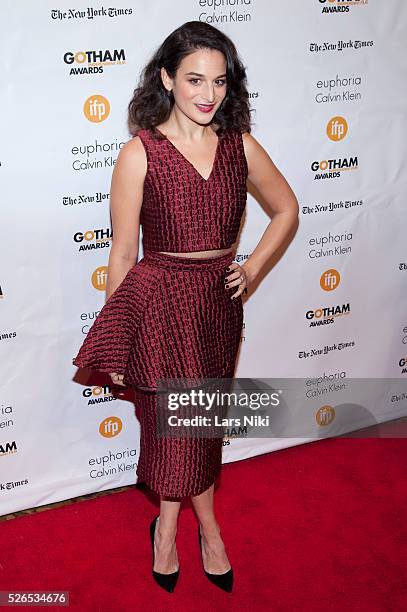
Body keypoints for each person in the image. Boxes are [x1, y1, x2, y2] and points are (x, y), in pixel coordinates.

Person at [72, 20, 299, 593]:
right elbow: (122, 254)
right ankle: (196, 528)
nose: (208, 95)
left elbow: (287, 210)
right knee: (175, 428)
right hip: (159, 304)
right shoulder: (139, 153)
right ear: (166, 78)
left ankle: (174, 525)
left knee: (202, 423)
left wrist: (249, 269)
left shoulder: (239, 146)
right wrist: (117, 336)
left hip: (218, 308)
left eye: (220, 83)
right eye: (194, 79)